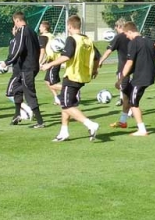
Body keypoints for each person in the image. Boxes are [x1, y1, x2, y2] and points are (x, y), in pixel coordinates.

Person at [40, 14, 100, 142]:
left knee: (66, 105)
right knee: (66, 103)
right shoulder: (87, 40)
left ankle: (90, 124)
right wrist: (95, 70)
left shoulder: (72, 39)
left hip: (72, 75)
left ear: (69, 26)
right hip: (83, 76)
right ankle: (64, 132)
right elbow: (97, 57)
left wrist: (49, 65)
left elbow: (66, 56)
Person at [120, 21, 155, 136]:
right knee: (128, 93)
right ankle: (123, 120)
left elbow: (129, 62)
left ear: (130, 31)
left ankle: (142, 129)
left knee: (134, 103)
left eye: (126, 34)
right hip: (147, 76)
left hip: (141, 78)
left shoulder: (133, 43)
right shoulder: (149, 41)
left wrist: (120, 78)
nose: (126, 37)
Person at [3, 11, 45, 128]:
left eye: (14, 22)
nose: (14, 25)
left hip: (28, 68)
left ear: (17, 20)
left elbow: (18, 49)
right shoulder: (32, 31)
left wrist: (7, 62)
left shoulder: (23, 31)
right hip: (27, 67)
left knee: (29, 93)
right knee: (17, 89)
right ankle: (17, 114)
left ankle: (40, 121)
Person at [98, 19, 130, 108]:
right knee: (124, 83)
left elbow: (109, 51)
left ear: (119, 26)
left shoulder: (119, 37)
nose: (115, 29)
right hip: (134, 64)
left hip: (124, 65)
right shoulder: (131, 35)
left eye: (116, 27)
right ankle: (122, 99)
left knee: (122, 85)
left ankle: (128, 106)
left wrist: (101, 61)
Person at [38, 20, 62, 106]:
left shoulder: (43, 37)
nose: (39, 28)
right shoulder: (51, 35)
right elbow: (49, 50)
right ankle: (57, 98)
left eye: (40, 26)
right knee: (47, 81)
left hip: (53, 61)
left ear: (44, 28)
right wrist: (44, 61)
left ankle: (71, 90)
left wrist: (38, 63)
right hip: (54, 59)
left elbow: (42, 52)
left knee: (52, 84)